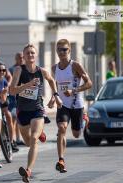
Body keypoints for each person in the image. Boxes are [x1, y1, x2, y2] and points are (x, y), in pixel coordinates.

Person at [10, 44, 62, 183]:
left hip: (37, 109)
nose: (30, 55)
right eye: (27, 53)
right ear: (24, 56)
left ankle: (28, 170)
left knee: (33, 139)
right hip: (22, 111)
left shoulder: (42, 71)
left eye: (33, 53)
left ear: (36, 55)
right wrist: (28, 84)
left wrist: (55, 96)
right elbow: (12, 91)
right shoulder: (18, 70)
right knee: (28, 142)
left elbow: (52, 81)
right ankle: (40, 134)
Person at [48, 39, 92, 173]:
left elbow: (89, 83)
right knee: (62, 129)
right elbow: (55, 85)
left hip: (76, 104)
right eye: (59, 49)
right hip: (62, 105)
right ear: (56, 51)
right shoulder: (54, 68)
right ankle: (61, 160)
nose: (62, 52)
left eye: (64, 49)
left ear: (69, 51)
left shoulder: (75, 66)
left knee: (76, 134)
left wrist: (73, 91)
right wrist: (53, 97)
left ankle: (84, 119)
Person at [8, 52, 25, 146]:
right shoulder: (11, 69)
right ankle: (12, 139)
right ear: (16, 58)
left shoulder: (27, 69)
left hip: (23, 98)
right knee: (13, 118)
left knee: (20, 119)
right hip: (13, 99)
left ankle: (18, 139)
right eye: (19, 57)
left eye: (22, 57)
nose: (21, 59)